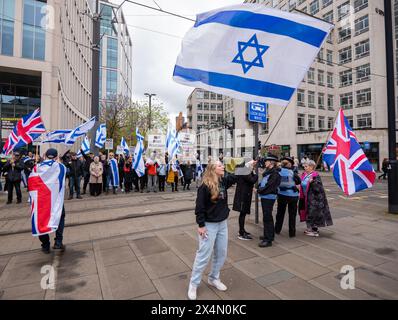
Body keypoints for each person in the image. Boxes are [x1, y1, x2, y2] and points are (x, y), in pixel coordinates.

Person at [188, 161, 237, 300]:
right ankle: (193, 283)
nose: (223, 167)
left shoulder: (222, 182)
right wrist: (201, 225)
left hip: (222, 223)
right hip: (208, 225)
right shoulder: (204, 187)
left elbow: (235, 177)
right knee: (203, 255)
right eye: (220, 166)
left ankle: (213, 278)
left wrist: (249, 165)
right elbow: (199, 207)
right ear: (213, 169)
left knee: (221, 253)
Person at [299, 160, 333, 237]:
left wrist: (313, 182)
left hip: (314, 199)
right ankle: (310, 228)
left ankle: (314, 231)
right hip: (305, 197)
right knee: (307, 212)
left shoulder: (315, 175)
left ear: (311, 167)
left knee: (313, 213)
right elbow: (303, 184)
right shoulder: (304, 174)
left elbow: (319, 189)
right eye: (304, 166)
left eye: (306, 166)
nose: (304, 167)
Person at [257, 155, 281, 248]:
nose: (265, 163)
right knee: (266, 217)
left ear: (271, 163)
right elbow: (264, 183)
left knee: (267, 217)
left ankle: (268, 240)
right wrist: (259, 187)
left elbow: (269, 187)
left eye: (266, 161)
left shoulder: (274, 174)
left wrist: (258, 190)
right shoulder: (268, 172)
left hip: (269, 197)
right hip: (265, 197)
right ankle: (267, 235)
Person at [275, 157, 301, 238]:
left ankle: (277, 230)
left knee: (280, 214)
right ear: (289, 165)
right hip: (293, 196)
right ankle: (292, 233)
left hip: (282, 195)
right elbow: (298, 181)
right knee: (292, 215)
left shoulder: (278, 172)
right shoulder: (293, 173)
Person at [233, 160, 258, 240]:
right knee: (242, 214)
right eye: (253, 164)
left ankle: (242, 230)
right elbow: (252, 180)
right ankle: (241, 232)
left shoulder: (243, 170)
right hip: (243, 196)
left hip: (243, 195)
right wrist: (255, 173)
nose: (254, 166)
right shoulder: (245, 171)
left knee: (243, 214)